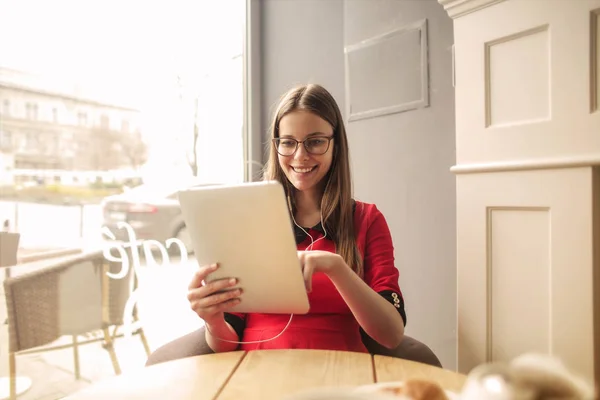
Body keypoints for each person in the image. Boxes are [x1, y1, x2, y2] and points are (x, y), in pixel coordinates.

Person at [186, 83, 406, 353]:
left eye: (315, 141)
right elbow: (224, 346)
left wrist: (336, 268)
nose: (300, 156)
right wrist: (212, 320)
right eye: (288, 142)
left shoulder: (366, 219)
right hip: (258, 372)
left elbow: (392, 334)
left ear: (336, 145)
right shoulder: (248, 220)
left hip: (340, 370)